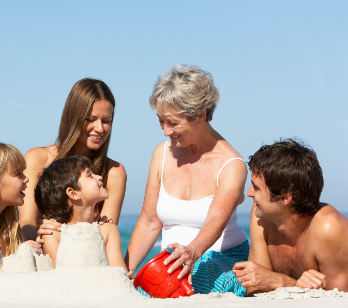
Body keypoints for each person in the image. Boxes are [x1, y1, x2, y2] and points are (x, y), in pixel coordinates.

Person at [125, 65, 249, 297]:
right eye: (161, 121)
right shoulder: (161, 154)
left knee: (193, 286)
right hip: (171, 264)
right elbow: (150, 220)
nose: (165, 131)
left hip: (221, 258)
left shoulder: (232, 164)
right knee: (137, 292)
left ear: (201, 114)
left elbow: (216, 218)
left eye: (173, 123)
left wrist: (192, 252)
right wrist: (125, 270)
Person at [233, 139, 348, 294]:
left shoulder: (329, 228)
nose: (249, 193)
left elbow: (340, 299)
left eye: (256, 187)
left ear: (286, 197)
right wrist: (291, 284)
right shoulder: (262, 218)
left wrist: (281, 282)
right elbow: (255, 288)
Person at [20, 78, 127, 241]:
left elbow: (106, 237)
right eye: (90, 119)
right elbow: (26, 223)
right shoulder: (37, 159)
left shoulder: (114, 172)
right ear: (73, 117)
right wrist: (39, 232)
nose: (99, 128)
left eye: (106, 121)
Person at [34, 156, 127, 270]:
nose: (99, 177)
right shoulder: (54, 234)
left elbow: (120, 274)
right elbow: (57, 279)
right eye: (89, 175)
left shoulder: (108, 229)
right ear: (73, 193)